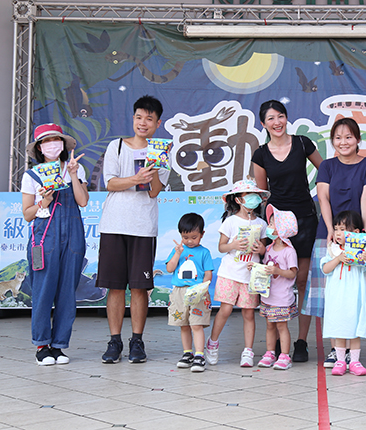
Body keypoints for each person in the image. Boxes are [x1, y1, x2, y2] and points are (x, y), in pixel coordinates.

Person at [97, 95, 170, 364]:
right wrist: (135, 178)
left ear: (157, 123)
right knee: (115, 287)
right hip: (114, 224)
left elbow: (154, 192)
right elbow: (110, 183)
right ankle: (114, 341)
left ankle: (137, 341)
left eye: (149, 119)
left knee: (140, 288)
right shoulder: (116, 146)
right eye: (139, 117)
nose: (143, 123)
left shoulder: (162, 151)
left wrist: (153, 170)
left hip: (144, 227)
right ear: (133, 119)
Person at [252, 100, 323, 362]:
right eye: (271, 118)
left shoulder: (303, 143)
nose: (277, 122)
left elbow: (326, 171)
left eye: (280, 116)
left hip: (304, 219)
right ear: (263, 124)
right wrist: (264, 228)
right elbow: (262, 195)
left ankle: (301, 341)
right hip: (276, 227)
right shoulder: (260, 154)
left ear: (286, 118)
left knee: (301, 281)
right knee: (274, 280)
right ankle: (274, 345)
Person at [311, 117, 366, 368]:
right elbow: (323, 198)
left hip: (358, 235)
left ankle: (353, 351)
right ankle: (336, 350)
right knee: (331, 294)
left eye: (349, 137)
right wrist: (331, 229)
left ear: (358, 139)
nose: (344, 142)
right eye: (338, 138)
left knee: (356, 294)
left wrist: (362, 236)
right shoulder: (327, 166)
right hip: (329, 235)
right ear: (332, 141)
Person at [21, 123, 88, 365]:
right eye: (46, 141)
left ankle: (59, 345)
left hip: (73, 235)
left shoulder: (75, 169)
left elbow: (83, 201)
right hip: (44, 237)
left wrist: (73, 174)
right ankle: (42, 345)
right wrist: (44, 202)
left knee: (67, 292)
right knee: (43, 290)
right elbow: (27, 214)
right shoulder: (31, 175)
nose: (52, 144)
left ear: (63, 144)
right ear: (39, 148)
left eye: (55, 140)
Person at [205, 179, 268, 367]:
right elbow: (221, 247)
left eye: (255, 195)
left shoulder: (261, 223)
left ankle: (248, 351)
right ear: (238, 199)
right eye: (249, 195)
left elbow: (264, 250)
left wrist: (260, 249)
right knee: (225, 309)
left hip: (250, 276)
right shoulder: (230, 221)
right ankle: (213, 343)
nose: (253, 198)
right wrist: (233, 245)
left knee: (249, 313)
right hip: (229, 273)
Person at [321, 211, 366, 376]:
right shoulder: (333, 250)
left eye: (342, 229)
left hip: (355, 298)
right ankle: (340, 361)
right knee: (340, 328)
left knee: (355, 329)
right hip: (337, 298)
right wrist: (338, 259)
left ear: (356, 233)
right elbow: (325, 269)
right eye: (336, 229)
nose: (337, 233)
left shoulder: (363, 251)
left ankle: (354, 361)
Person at [165, 213, 213, 373]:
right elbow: (170, 268)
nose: (189, 241)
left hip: (197, 292)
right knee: (184, 324)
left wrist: (203, 288)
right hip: (179, 292)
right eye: (185, 237)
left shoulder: (204, 252)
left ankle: (199, 355)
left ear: (202, 234)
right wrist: (178, 253)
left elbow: (208, 273)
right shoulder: (177, 250)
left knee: (196, 324)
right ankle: (187, 353)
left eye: (194, 237)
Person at [254, 205, 299, 371]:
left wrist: (277, 271)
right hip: (268, 296)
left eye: (272, 224)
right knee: (270, 325)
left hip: (282, 297)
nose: (269, 227)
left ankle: (285, 355)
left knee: (281, 326)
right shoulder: (268, 248)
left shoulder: (289, 251)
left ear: (282, 229)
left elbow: (293, 273)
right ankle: (270, 353)